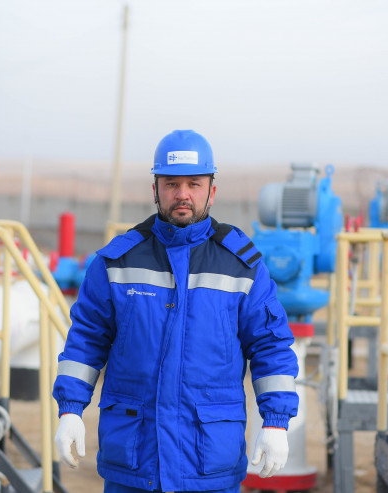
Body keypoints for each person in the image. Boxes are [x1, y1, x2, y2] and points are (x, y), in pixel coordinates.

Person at [52, 129, 299, 493]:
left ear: (212, 190)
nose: (183, 194)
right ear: (155, 189)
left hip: (208, 463)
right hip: (134, 462)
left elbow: (271, 347)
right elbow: (86, 341)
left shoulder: (241, 267)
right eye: (171, 184)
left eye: (194, 184)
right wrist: (70, 409)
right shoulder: (117, 262)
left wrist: (275, 420)